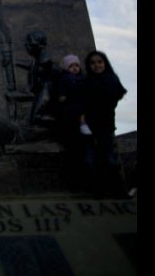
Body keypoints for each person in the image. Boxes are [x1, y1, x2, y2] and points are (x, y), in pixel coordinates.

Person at [83, 50, 129, 198]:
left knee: (110, 159)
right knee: (91, 160)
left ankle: (119, 190)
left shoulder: (111, 79)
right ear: (88, 66)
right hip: (88, 126)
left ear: (105, 63)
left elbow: (117, 95)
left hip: (105, 125)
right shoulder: (87, 82)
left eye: (99, 62)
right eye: (92, 63)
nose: (96, 65)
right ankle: (98, 191)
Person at [54, 54, 88, 189]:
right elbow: (61, 98)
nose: (74, 68)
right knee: (74, 148)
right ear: (67, 68)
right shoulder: (64, 80)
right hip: (70, 117)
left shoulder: (84, 80)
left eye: (76, 65)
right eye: (71, 66)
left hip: (86, 117)